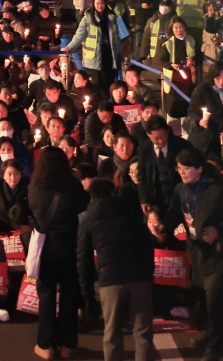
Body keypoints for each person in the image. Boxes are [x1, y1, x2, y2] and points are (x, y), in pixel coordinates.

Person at [165, 147, 223, 361]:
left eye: (186, 167)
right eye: (179, 168)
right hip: (197, 254)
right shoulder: (180, 189)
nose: (182, 171)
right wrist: (162, 227)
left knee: (214, 301)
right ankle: (211, 335)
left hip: (219, 255)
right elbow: (174, 215)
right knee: (203, 301)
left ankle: (214, 346)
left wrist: (218, 230)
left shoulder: (217, 189)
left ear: (199, 168)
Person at [77, 178, 154, 361]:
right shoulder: (130, 213)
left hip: (110, 279)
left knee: (111, 334)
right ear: (113, 193)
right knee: (142, 333)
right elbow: (147, 244)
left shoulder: (88, 220)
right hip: (139, 277)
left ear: (92, 197)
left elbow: (83, 261)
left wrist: (87, 295)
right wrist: (148, 273)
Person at [29, 146, 89, 359]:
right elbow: (84, 205)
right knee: (68, 296)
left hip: (45, 250)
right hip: (69, 248)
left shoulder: (35, 187)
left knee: (45, 296)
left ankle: (46, 346)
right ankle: (67, 344)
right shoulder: (72, 185)